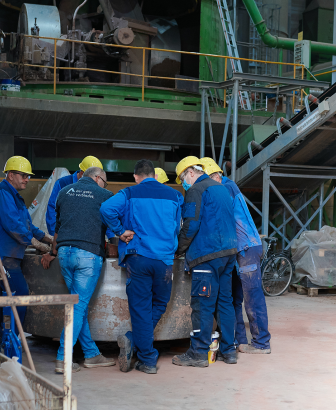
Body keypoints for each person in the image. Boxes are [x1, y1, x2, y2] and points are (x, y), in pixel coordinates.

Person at [43, 166, 133, 374]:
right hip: (88, 255)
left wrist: (52, 252)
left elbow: (57, 228)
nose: (105, 185)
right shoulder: (105, 195)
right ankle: (63, 358)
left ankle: (91, 354)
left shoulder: (64, 192)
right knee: (78, 306)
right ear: (99, 178)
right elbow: (113, 223)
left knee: (78, 305)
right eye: (105, 182)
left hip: (64, 253)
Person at [100, 159, 183, 375]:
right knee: (160, 304)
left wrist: (120, 231)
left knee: (141, 308)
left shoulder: (130, 193)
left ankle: (144, 355)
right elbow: (178, 226)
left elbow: (106, 208)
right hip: (164, 260)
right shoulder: (175, 196)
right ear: (155, 175)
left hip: (139, 257)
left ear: (136, 177)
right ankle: (139, 345)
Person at [171, 156, 238, 368]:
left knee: (202, 304)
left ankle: (198, 353)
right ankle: (229, 351)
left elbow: (190, 225)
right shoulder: (221, 188)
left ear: (191, 172)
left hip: (207, 255)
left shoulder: (196, 191)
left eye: (183, 177)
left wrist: (178, 250)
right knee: (225, 302)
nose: (183, 183)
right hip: (228, 253)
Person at [200, 157, 271, 354]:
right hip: (237, 250)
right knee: (234, 298)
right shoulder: (225, 186)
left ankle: (262, 342)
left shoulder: (226, 187)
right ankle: (241, 341)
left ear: (213, 175)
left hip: (246, 248)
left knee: (252, 296)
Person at [0, 156, 54, 326]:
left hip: (8, 254)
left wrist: (48, 239)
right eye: (23, 175)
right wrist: (35, 243)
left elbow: (28, 225)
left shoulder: (15, 197)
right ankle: (13, 339)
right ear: (11, 175)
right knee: (19, 292)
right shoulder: (2, 194)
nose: (27, 180)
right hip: (1, 255)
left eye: (28, 176)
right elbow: (13, 224)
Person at [44, 155, 103, 236]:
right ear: (82, 173)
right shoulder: (63, 183)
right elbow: (52, 209)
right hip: (64, 235)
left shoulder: (94, 187)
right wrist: (55, 235)